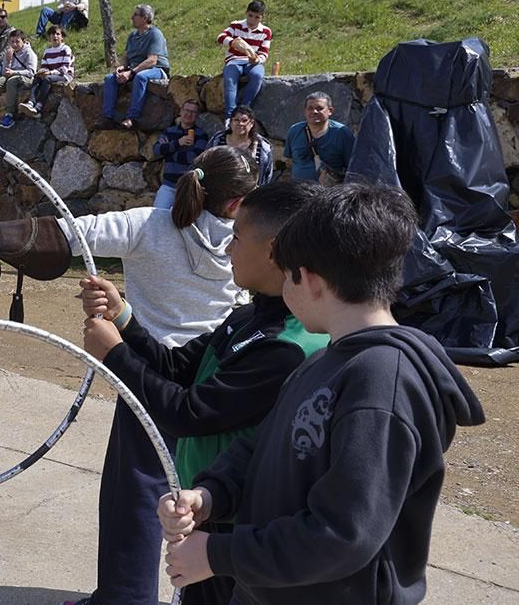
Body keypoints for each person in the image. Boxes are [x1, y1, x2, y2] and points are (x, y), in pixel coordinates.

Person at [159, 184, 486, 605]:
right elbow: (264, 450)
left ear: (309, 279)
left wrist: (218, 553)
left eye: (288, 274)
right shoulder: (327, 360)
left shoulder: (381, 382)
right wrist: (208, 496)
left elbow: (344, 533)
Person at [74, 180, 329, 605]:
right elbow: (177, 368)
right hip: (207, 510)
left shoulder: (287, 347)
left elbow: (187, 413)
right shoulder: (245, 318)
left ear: (273, 250)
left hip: (243, 528)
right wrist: (123, 319)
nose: (227, 246)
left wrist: (115, 355)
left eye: (238, 236)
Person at [0, 145, 258, 347]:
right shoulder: (252, 244)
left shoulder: (147, 224)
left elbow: (71, 233)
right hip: (212, 373)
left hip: (149, 372)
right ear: (237, 202)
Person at [98, 4, 170, 130]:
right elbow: (126, 56)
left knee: (141, 77)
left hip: (156, 69)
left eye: (135, 15)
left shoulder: (155, 34)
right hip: (134, 69)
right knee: (110, 78)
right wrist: (121, 68)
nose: (132, 17)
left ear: (145, 18)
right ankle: (108, 117)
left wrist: (131, 73)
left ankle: (132, 118)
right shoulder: (132, 36)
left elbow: (152, 60)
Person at [282, 91, 355, 183]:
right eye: (310, 108)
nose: (314, 112)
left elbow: (353, 168)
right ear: (305, 111)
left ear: (330, 111)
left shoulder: (342, 133)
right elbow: (289, 161)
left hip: (328, 194)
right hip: (298, 192)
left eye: (319, 108)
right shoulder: (294, 131)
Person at [216, 0, 272, 119]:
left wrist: (257, 60)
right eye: (250, 16)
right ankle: (230, 115)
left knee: (257, 76)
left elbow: (264, 53)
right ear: (246, 13)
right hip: (234, 59)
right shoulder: (236, 25)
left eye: (257, 17)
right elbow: (220, 37)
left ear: (262, 17)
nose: (252, 20)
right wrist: (232, 42)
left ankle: (244, 109)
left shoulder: (266, 32)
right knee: (230, 80)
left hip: (251, 61)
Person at [152, 100, 210, 209]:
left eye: (193, 112)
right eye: (187, 110)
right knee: (158, 216)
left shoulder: (201, 135)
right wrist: (178, 143)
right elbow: (156, 150)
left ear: (197, 116)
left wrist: (169, 153)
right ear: (181, 111)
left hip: (188, 187)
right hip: (168, 185)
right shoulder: (169, 131)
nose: (189, 114)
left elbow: (193, 158)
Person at [208, 105, 274, 184]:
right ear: (231, 122)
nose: (240, 123)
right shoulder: (217, 141)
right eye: (236, 120)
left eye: (244, 120)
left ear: (251, 123)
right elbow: (206, 163)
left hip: (251, 193)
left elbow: (267, 175)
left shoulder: (263, 147)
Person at [20, 24, 73, 119]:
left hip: (65, 75)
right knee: (37, 77)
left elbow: (65, 68)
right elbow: (45, 66)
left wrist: (50, 73)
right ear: (49, 37)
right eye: (52, 34)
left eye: (58, 34)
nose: (55, 36)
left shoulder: (66, 49)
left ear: (62, 37)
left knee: (48, 79)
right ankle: (31, 102)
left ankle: (39, 106)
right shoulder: (47, 51)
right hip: (51, 74)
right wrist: (42, 72)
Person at [0, 29, 38, 129]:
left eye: (17, 41)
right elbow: (4, 72)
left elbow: (31, 72)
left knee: (12, 81)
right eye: (12, 42)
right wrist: (7, 60)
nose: (14, 44)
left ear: (23, 41)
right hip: (12, 76)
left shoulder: (29, 53)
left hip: (27, 79)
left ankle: (9, 114)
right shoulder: (10, 52)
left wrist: (14, 72)